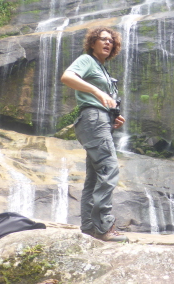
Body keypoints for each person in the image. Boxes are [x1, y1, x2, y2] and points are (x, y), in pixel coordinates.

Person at [60, 27, 128, 242]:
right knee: (109, 170)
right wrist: (97, 92)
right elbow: (67, 77)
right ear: (92, 43)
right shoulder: (86, 60)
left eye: (111, 41)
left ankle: (90, 226)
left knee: (95, 178)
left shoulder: (103, 69)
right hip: (92, 120)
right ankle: (104, 227)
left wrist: (113, 117)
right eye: (103, 39)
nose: (107, 43)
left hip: (100, 121)